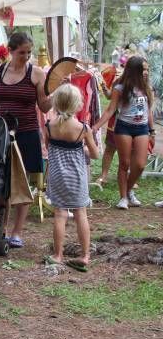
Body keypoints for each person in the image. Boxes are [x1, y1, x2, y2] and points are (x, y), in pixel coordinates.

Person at [0, 32, 52, 247]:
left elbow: (45, 106)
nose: (26, 56)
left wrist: (55, 91)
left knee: (22, 185)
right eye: (22, 52)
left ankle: (17, 233)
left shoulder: (37, 74)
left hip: (27, 133)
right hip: (2, 133)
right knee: (1, 182)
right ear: (10, 51)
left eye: (29, 52)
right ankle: (0, 229)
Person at [44, 84, 98, 272]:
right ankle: (85, 255)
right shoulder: (83, 128)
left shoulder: (49, 126)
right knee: (80, 213)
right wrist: (82, 148)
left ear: (56, 104)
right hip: (76, 177)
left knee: (60, 214)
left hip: (57, 175)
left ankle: (58, 255)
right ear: (77, 105)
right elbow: (95, 154)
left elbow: (49, 147)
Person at [93, 56, 154, 209]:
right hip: (124, 127)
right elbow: (110, 110)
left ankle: (128, 191)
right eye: (143, 69)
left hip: (142, 128)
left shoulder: (146, 87)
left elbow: (149, 110)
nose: (146, 72)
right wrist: (96, 126)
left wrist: (152, 130)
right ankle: (123, 198)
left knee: (139, 165)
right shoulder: (120, 88)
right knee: (124, 163)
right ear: (134, 71)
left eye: (147, 69)